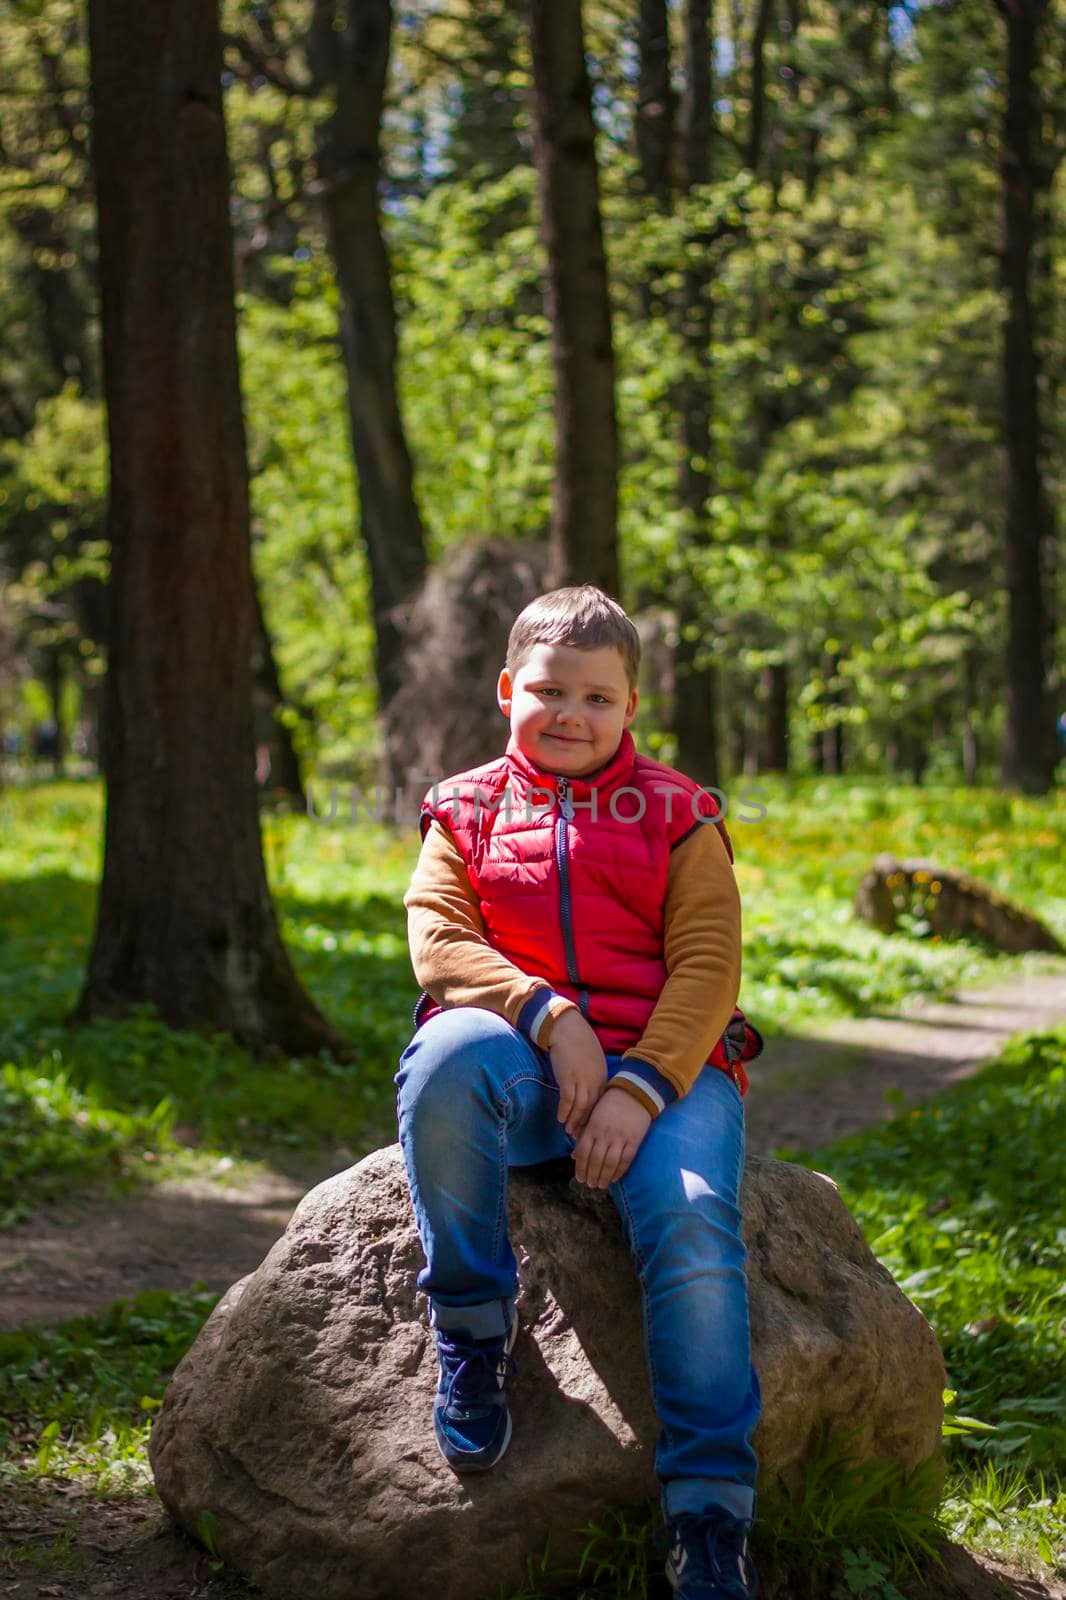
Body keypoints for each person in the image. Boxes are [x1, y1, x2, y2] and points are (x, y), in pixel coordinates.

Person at [396, 586, 763, 1600]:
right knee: (441, 1059)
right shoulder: (461, 808)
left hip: (665, 1078)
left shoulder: (680, 814)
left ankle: (708, 1506)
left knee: (690, 1226)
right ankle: (471, 1327)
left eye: (597, 698)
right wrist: (547, 1017)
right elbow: (437, 944)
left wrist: (637, 1087)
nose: (570, 713)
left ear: (631, 708)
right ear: (507, 689)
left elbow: (706, 968)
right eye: (549, 690)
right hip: (516, 1066)